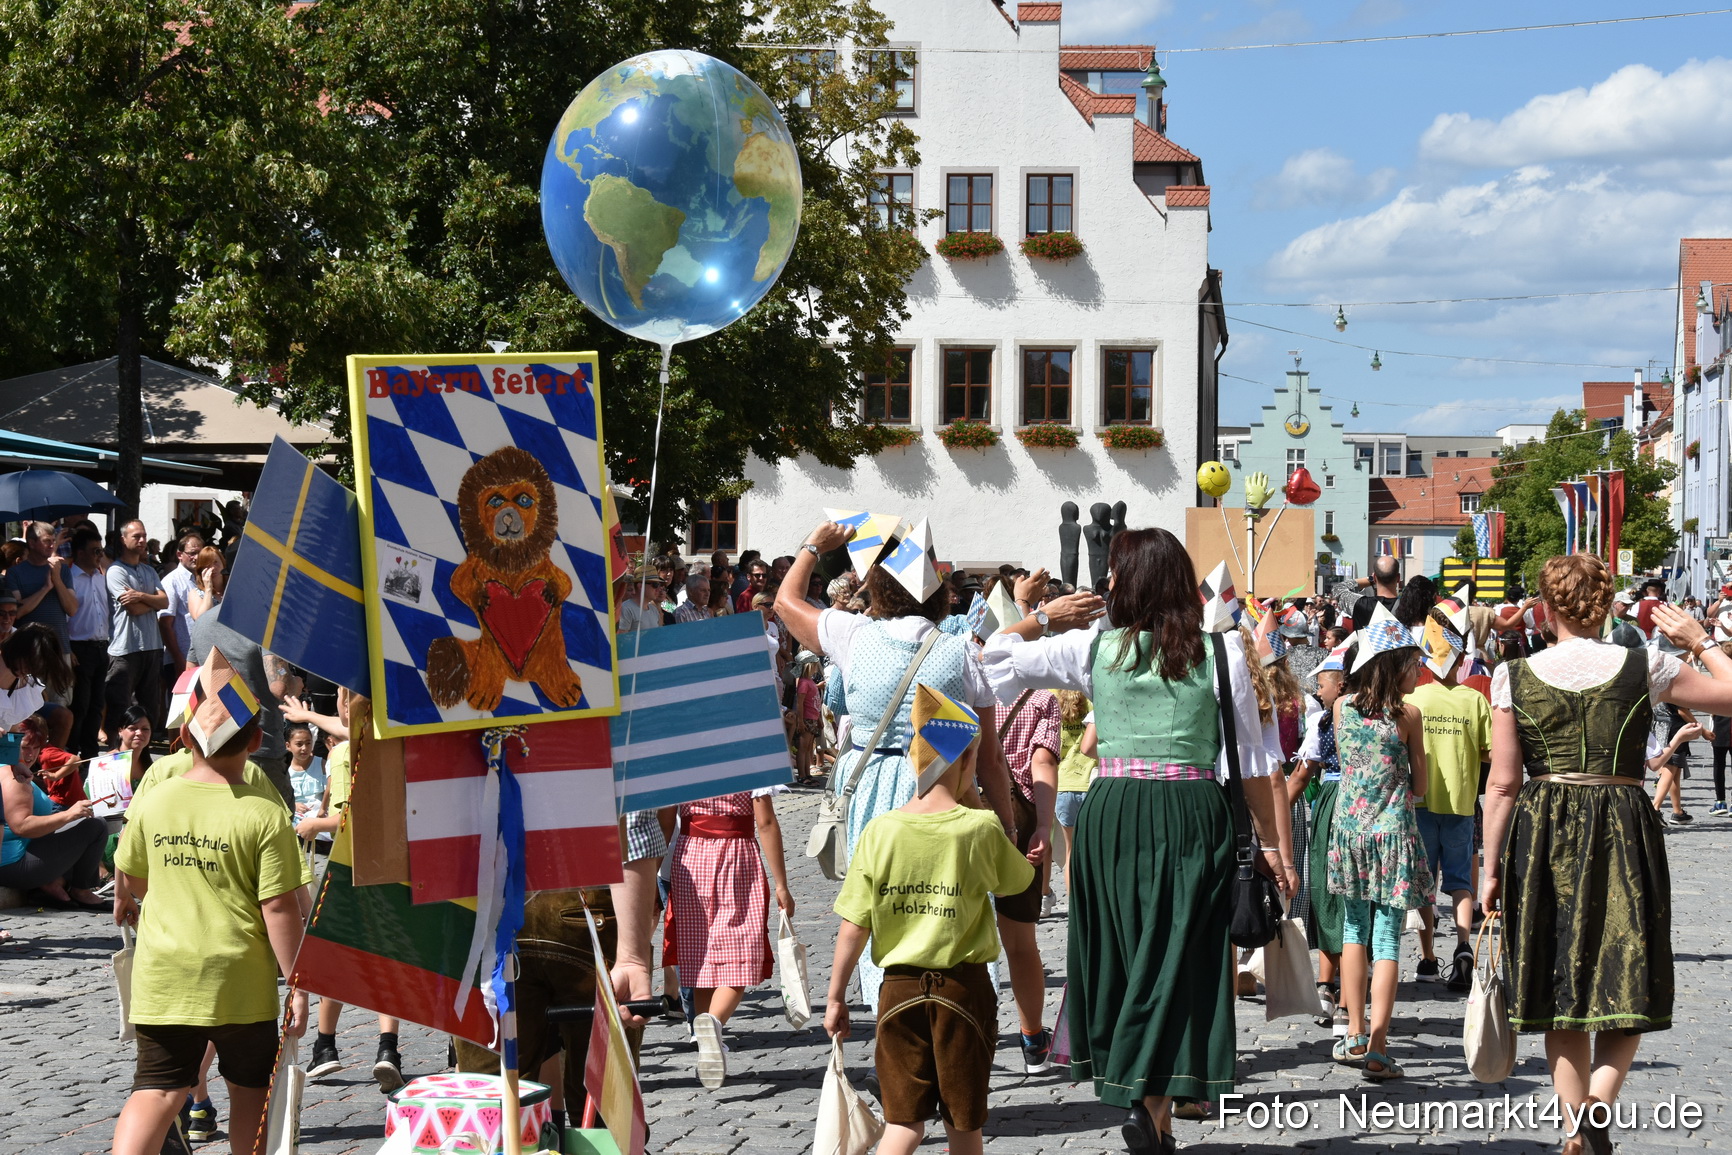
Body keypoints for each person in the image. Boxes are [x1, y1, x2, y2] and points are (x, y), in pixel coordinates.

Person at [980, 531, 1294, 1151]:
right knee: (1177, 955)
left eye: (1116, 573)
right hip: (1191, 812)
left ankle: (1152, 1112)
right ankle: (1150, 1106)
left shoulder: (1093, 647)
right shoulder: (1221, 651)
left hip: (1114, 813)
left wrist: (1042, 616)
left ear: (1132, 581)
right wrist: (1271, 847)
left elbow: (991, 655)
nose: (1109, 583)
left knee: (1128, 955)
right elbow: (1253, 767)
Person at [1480, 555, 1732, 1155]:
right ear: (1603, 604)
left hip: (1543, 831)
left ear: (1545, 608)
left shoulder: (1513, 675)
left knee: (1558, 985)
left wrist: (1489, 869)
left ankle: (1574, 1125)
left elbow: (1503, 785)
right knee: (1629, 970)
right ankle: (1597, 1105)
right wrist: (1702, 640)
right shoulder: (1648, 665)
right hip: (1622, 824)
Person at [773, 520, 1016, 1012]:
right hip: (943, 784)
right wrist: (1007, 826)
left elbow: (785, 602)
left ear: (878, 588)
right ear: (939, 594)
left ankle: (893, 1003)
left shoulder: (853, 635)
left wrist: (814, 546)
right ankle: (954, 999)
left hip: (872, 786)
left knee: (879, 900)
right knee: (948, 894)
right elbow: (989, 755)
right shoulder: (963, 653)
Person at [827, 685, 1033, 1155]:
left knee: (903, 1124)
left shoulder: (880, 830)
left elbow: (854, 924)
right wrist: (977, 802)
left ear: (911, 759)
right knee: (963, 1124)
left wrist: (836, 996)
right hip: (963, 990)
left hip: (897, 991)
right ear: (966, 761)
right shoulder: (979, 828)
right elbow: (1016, 882)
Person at [109, 693, 307, 1155]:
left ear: (183, 737)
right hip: (240, 979)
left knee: (156, 1089)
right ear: (256, 741)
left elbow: (135, 876)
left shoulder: (155, 800)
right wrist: (299, 983)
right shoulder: (264, 813)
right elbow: (279, 909)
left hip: (165, 974)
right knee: (250, 1090)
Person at [1327, 608, 1431, 1081]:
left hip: (1350, 830)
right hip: (1392, 835)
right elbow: (1422, 786)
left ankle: (1353, 1031)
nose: (1419, 671)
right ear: (1394, 666)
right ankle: (1379, 1046)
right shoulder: (1408, 716)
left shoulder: (1341, 708)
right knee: (1387, 937)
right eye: (1413, 663)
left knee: (1354, 929)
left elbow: (1348, 763)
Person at [666, 788, 792, 1089]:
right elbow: (766, 822)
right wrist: (781, 884)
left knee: (699, 958)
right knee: (741, 955)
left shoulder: (679, 761)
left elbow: (665, 821)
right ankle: (713, 1023)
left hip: (690, 859)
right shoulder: (749, 761)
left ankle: (707, 1043)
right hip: (736, 857)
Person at [1405, 638, 1491, 992]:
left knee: (1424, 885)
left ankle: (1428, 958)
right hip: (1461, 801)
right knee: (1461, 882)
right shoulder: (1474, 699)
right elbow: (1489, 752)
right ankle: (1463, 945)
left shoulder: (1414, 698)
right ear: (1459, 664)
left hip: (1420, 802)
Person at [1288, 643, 1349, 1030]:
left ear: (1339, 685)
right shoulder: (1385, 715)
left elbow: (1301, 775)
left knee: (1329, 891)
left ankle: (1331, 986)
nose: (1318, 692)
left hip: (1333, 801)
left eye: (1322, 685)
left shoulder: (1325, 723)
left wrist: (1275, 815)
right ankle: (1336, 988)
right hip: (1367, 805)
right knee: (1346, 897)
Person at [189, 604, 300, 811]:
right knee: (276, 819)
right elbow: (280, 687)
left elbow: (190, 676)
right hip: (259, 745)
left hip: (211, 744)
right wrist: (296, 683)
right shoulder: (265, 621)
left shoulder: (202, 622)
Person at [1, 712, 106, 909]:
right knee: (95, 826)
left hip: (18, 856)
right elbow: (21, 826)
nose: (31, 754)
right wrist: (69, 814)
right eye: (25, 747)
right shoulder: (13, 776)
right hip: (13, 865)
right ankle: (81, 890)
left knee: (80, 828)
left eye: (36, 748)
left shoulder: (11, 769)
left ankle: (53, 884)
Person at [105, 521, 168, 731]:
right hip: (125, 649)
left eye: (144, 536)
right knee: (121, 707)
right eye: (136, 536)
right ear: (123, 540)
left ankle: (144, 749)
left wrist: (140, 595)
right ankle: (115, 747)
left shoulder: (149, 570)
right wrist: (152, 602)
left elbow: (165, 602)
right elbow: (133, 609)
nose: (142, 540)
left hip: (152, 646)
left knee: (150, 707)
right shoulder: (116, 571)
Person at [7, 521, 78, 678]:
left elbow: (72, 609)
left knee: (60, 694)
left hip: (59, 648)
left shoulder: (62, 570)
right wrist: (45, 588)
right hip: (29, 650)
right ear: (32, 543)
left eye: (53, 540)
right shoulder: (15, 573)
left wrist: (57, 579)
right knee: (30, 693)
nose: (52, 545)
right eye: (47, 541)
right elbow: (17, 612)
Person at [65, 527, 111, 759]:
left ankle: (90, 754)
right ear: (80, 553)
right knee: (80, 705)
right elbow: (65, 617)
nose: (99, 555)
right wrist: (67, 649)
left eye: (101, 551)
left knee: (96, 705)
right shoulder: (70, 579)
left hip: (101, 647)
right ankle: (72, 753)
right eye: (95, 551)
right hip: (79, 648)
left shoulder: (101, 578)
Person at [1051, 688, 1096, 906]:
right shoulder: (1092, 700)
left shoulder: (1052, 699)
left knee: (1071, 853)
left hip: (1063, 785)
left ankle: (1074, 908)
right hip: (1091, 784)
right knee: (1095, 853)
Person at [158, 533, 204, 678]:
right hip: (181, 659)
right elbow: (165, 623)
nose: (196, 557)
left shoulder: (203, 579)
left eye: (200, 553)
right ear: (179, 555)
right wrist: (178, 657)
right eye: (192, 553)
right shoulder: (171, 581)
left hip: (201, 657)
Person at [792, 656, 823, 784]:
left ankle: (807, 774)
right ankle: (802, 775)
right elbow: (800, 703)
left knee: (808, 748)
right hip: (806, 718)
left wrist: (819, 718)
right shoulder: (804, 682)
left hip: (813, 717)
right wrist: (800, 721)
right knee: (803, 748)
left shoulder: (809, 681)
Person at [1351, 556, 1401, 631]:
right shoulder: (1409, 607)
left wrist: (1370, 580)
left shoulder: (1360, 604)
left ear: (1374, 577)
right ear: (1398, 578)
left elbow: (1338, 589)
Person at [187, 544, 226, 622]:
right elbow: (201, 619)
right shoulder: (196, 593)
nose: (213, 568)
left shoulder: (232, 588)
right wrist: (208, 589)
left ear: (222, 563)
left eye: (215, 562)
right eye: (207, 565)